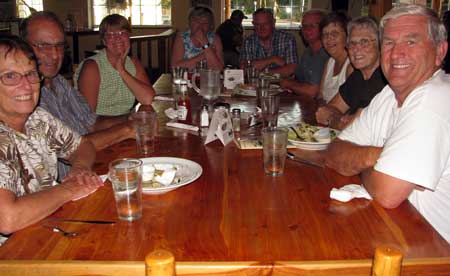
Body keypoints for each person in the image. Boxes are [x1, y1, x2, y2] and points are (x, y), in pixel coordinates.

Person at [324, 4, 450, 243]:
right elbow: (335, 151)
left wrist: (364, 163)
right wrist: (381, 156)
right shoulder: (388, 95)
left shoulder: (435, 98)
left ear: (440, 51)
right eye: (389, 43)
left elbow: (386, 193)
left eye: (411, 42)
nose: (396, 54)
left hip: (436, 254)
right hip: (398, 233)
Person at [0, 35, 103, 243]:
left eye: (30, 74)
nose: (27, 86)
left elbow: (83, 145)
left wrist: (80, 168)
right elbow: (8, 218)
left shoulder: (37, 118)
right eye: (10, 76)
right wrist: (69, 188)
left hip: (47, 231)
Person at [20, 11, 137, 180]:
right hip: (67, 182)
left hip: (93, 166)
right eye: (44, 45)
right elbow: (71, 147)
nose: (54, 55)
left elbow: (93, 123)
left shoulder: (59, 82)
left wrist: (134, 117)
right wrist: (127, 129)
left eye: (59, 45)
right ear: (23, 47)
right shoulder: (23, 97)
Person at [74, 14, 155, 116]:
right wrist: (126, 122)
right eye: (111, 35)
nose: (118, 38)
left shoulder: (133, 63)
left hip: (124, 125)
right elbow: (87, 119)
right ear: (104, 41)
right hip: (99, 128)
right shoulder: (92, 67)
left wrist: (122, 71)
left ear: (129, 36)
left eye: (122, 33)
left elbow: (148, 99)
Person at [315, 16, 387, 130]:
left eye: (364, 42)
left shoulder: (383, 79)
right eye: (352, 43)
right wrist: (340, 119)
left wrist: (333, 119)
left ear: (380, 45)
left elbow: (353, 127)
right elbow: (325, 111)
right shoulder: (358, 76)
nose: (356, 48)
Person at [280, 9, 329, 96]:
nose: (307, 29)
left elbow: (312, 92)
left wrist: (288, 84)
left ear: (324, 28)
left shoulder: (326, 54)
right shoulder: (308, 51)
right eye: (304, 26)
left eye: (312, 25)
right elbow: (297, 78)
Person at [240, 8, 298, 76]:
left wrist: (262, 73)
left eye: (266, 24)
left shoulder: (287, 39)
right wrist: (272, 59)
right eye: (258, 24)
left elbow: (292, 69)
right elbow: (243, 69)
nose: (262, 28)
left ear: (273, 23)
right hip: (255, 85)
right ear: (253, 24)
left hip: (282, 84)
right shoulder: (248, 42)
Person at [171, 6, 224, 70]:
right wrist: (204, 55)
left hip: (208, 78)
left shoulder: (215, 39)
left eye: (205, 23)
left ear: (210, 25)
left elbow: (219, 69)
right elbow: (174, 68)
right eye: (196, 21)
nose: (200, 26)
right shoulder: (182, 38)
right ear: (190, 23)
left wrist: (205, 42)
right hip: (186, 79)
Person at [317, 12, 353, 103]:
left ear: (347, 36)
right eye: (325, 35)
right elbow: (320, 95)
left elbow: (348, 105)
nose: (329, 39)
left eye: (334, 34)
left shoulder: (351, 66)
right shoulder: (329, 62)